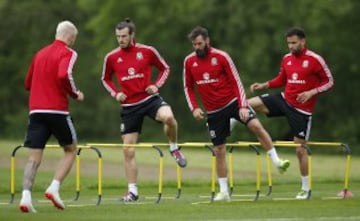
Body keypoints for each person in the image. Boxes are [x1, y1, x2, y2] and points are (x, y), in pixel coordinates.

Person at [183, 26, 290, 201]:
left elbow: (236, 81)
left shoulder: (222, 56)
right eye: (194, 44)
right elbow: (188, 86)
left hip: (233, 103)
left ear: (207, 41)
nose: (197, 47)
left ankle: (277, 161)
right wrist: (194, 107)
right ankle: (224, 191)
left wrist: (242, 105)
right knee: (219, 150)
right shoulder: (189, 61)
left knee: (255, 125)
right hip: (214, 111)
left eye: (200, 43)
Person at [101, 18, 187, 202]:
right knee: (128, 151)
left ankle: (174, 148)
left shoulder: (147, 51)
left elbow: (165, 68)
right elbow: (105, 79)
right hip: (129, 107)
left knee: (169, 118)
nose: (120, 40)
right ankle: (133, 192)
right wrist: (116, 94)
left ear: (132, 35)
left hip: (149, 100)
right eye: (118, 36)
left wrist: (156, 85)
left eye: (124, 36)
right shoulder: (111, 57)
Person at [248, 27, 334, 199]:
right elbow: (281, 80)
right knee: (247, 104)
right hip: (284, 99)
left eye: (294, 43)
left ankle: (305, 188)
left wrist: (311, 92)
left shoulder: (315, 59)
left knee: (299, 150)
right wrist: (263, 85)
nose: (291, 46)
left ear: (303, 41)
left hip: (302, 110)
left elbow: (329, 81)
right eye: (288, 43)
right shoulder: (287, 58)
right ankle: (233, 121)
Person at [19, 21, 84, 213]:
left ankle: (25, 197)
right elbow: (64, 75)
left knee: (34, 156)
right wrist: (76, 94)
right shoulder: (69, 52)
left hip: (36, 111)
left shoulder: (39, 54)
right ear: (70, 37)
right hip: (57, 110)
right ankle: (54, 188)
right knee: (71, 149)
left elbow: (27, 84)